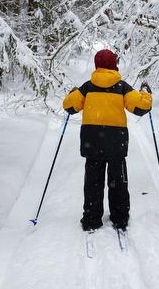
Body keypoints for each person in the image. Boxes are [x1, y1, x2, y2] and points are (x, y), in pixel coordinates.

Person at [63, 49, 152, 232]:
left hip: (92, 142)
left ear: (97, 65)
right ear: (114, 65)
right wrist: (146, 93)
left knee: (93, 182)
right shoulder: (122, 87)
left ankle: (91, 218)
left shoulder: (87, 87)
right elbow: (141, 107)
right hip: (115, 143)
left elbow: (69, 106)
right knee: (118, 182)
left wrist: (72, 93)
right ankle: (119, 218)